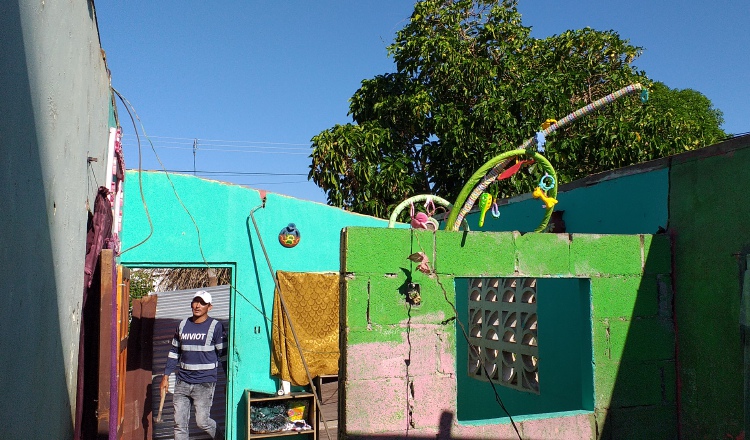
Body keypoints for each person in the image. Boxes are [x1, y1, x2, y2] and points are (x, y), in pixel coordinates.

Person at [160, 290, 227, 439]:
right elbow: (174, 352)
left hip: (204, 383)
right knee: (179, 424)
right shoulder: (182, 325)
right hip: (182, 382)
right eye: (195, 301)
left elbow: (224, 356)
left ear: (209, 307)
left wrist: (229, 381)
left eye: (202, 303)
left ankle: (221, 438)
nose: (197, 305)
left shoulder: (216, 327)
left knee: (202, 422)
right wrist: (165, 376)